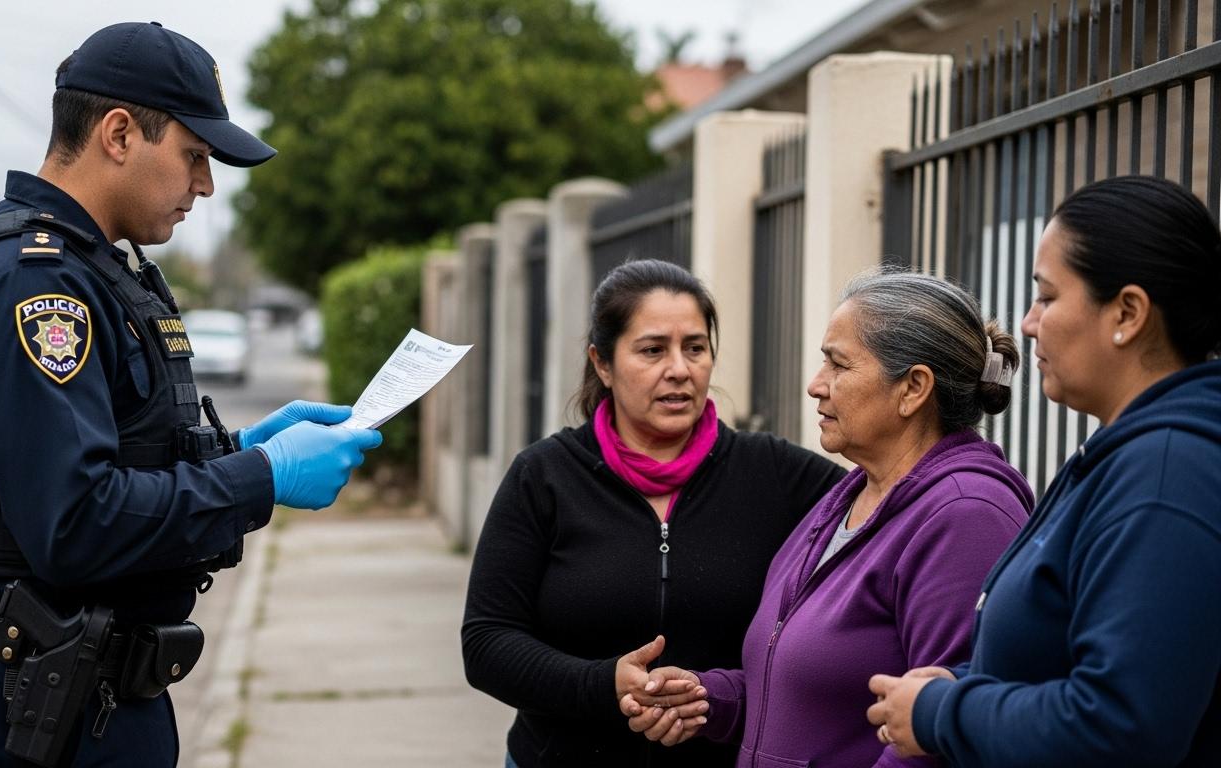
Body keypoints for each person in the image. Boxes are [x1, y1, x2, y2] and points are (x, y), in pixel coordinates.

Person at [0, 22, 381, 767]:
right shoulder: (33, 284)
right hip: (36, 702)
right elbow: (74, 523)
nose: (206, 184)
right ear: (120, 134)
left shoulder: (91, 271)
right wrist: (261, 477)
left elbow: (123, 454)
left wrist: (236, 451)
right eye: (194, 155)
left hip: (82, 687)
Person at [868, 175, 1221, 765]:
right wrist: (963, 684)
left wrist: (939, 714)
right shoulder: (1123, 453)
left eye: (1048, 297)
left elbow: (1119, 726)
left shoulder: (1165, 477)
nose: (1028, 323)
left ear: (1128, 313)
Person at [623, 271, 1032, 767]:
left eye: (838, 365)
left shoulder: (966, 517)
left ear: (913, 388)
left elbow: (943, 733)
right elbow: (815, 689)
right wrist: (713, 698)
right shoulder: (848, 495)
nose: (816, 385)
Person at [461, 259, 846, 767]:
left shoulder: (776, 473)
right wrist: (602, 684)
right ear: (603, 363)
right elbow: (487, 643)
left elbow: (891, 510)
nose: (680, 370)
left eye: (695, 348)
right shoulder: (545, 477)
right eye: (652, 350)